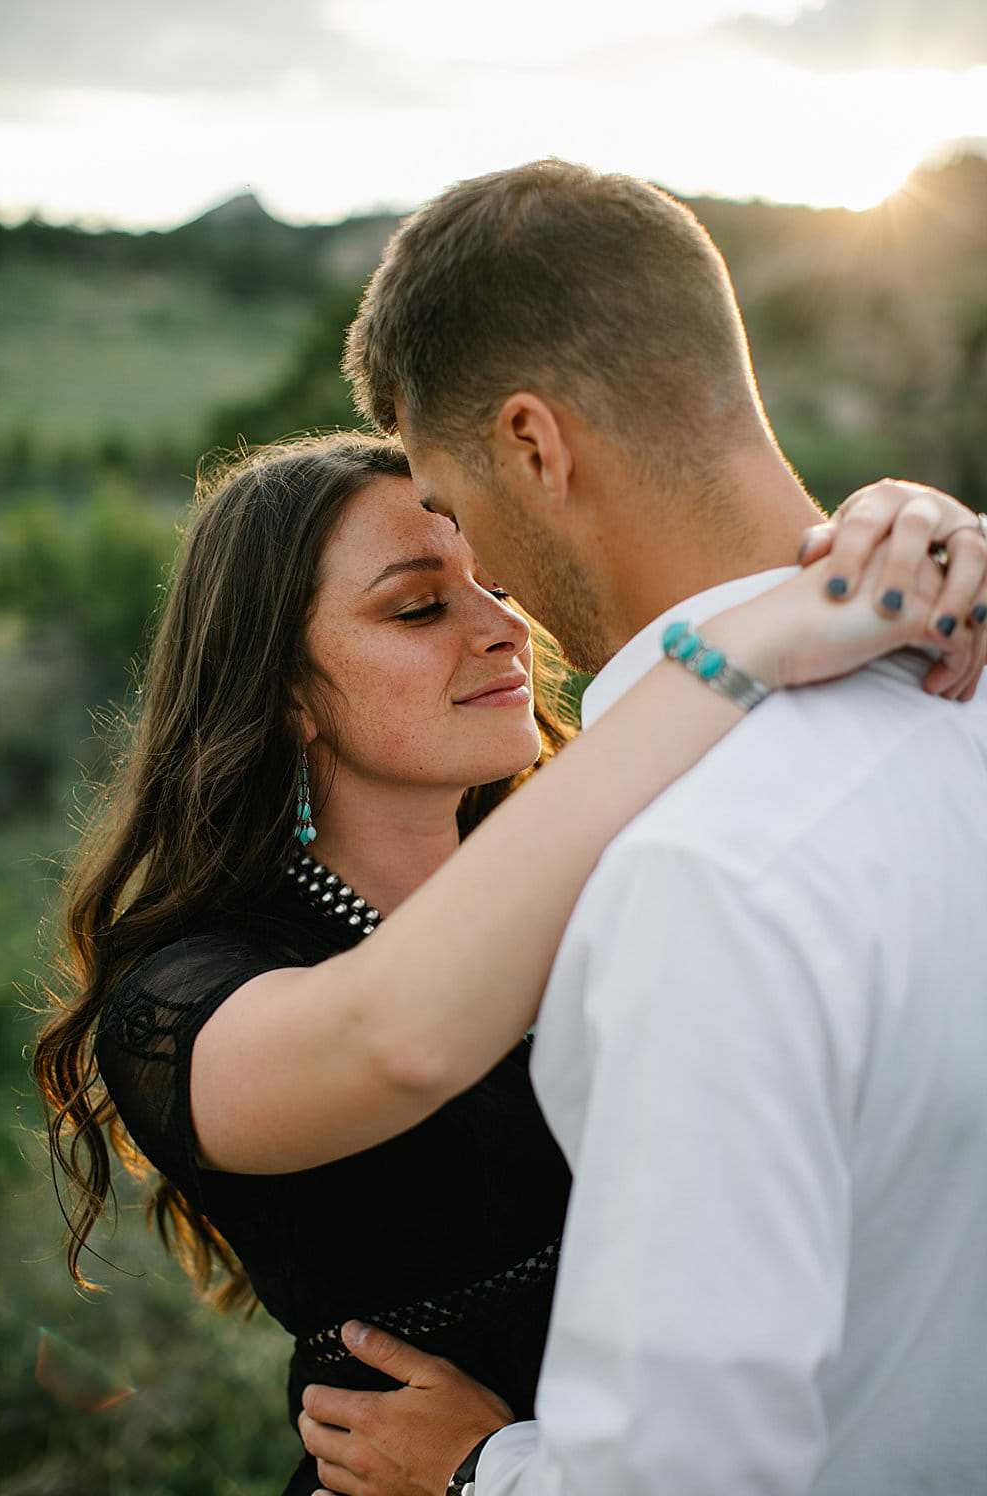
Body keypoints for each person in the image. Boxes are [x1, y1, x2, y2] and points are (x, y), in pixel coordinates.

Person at [291, 160, 987, 1496]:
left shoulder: (694, 874)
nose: (474, 565)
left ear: (535, 446)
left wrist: (486, 1470)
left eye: (447, 497)